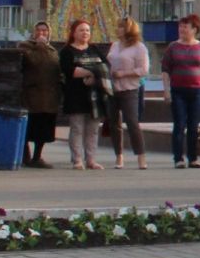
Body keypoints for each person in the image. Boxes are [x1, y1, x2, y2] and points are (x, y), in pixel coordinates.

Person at [58, 19, 111, 170]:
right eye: (81, 30)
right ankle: (77, 159)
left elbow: (106, 67)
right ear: (73, 33)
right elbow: (71, 71)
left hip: (95, 97)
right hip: (75, 95)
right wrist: (94, 71)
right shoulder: (67, 51)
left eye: (87, 30)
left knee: (93, 129)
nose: (85, 33)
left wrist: (93, 75)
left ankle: (91, 159)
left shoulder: (94, 49)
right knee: (77, 128)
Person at [162, 14, 200, 169]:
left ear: (194, 29)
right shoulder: (173, 47)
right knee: (179, 124)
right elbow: (165, 70)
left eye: (185, 27)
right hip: (178, 91)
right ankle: (178, 158)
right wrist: (166, 90)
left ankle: (193, 158)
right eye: (180, 26)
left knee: (193, 126)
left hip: (197, 91)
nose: (182, 29)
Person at [107, 18, 150, 171]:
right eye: (117, 27)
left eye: (121, 27)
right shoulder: (114, 45)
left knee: (132, 122)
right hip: (112, 88)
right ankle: (119, 155)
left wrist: (124, 73)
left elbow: (143, 70)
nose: (118, 30)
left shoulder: (139, 48)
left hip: (129, 89)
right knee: (114, 123)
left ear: (129, 30)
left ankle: (141, 155)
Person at [19, 21, 61, 168]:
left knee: (43, 129)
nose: (42, 34)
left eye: (45, 31)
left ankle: (37, 157)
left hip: (49, 97)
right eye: (39, 30)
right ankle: (25, 156)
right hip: (32, 95)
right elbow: (34, 61)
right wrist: (40, 46)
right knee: (28, 127)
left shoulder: (53, 50)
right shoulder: (26, 46)